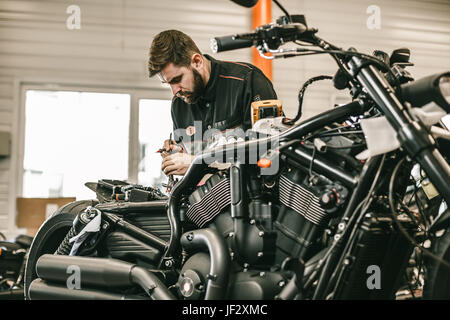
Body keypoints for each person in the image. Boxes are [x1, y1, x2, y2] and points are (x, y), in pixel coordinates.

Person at [148, 29, 277, 176]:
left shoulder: (248, 81)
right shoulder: (179, 105)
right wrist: (179, 152)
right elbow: (191, 156)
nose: (174, 91)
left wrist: (198, 163)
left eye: (177, 80)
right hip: (207, 198)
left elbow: (271, 151)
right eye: (168, 84)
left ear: (197, 62)